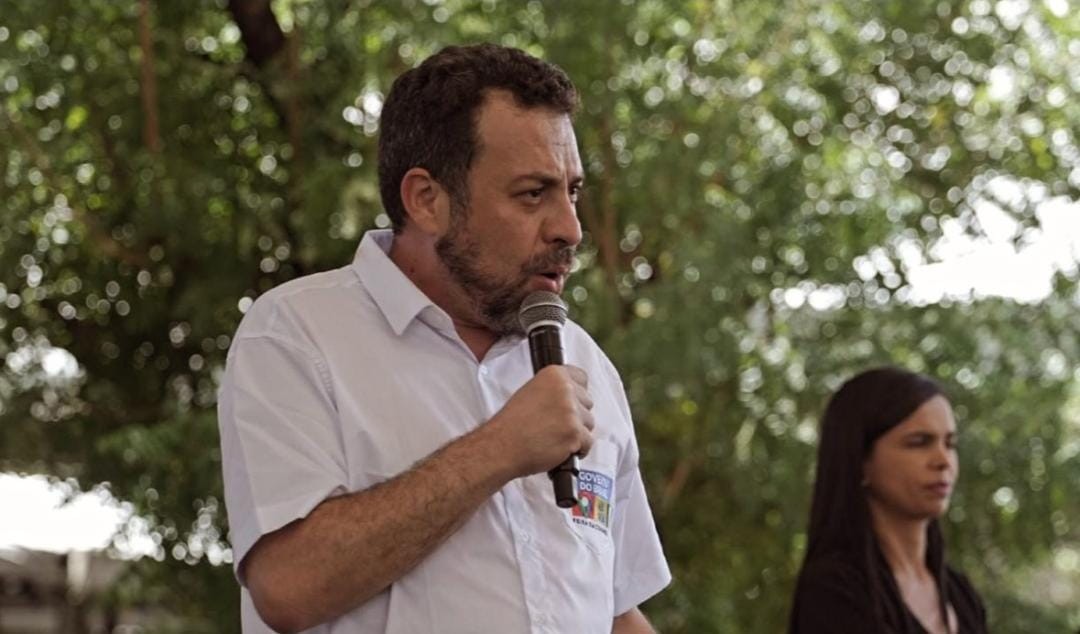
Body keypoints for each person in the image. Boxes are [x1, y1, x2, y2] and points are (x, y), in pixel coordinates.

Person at [217, 43, 670, 633]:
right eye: (533, 193)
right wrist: (500, 448)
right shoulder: (297, 334)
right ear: (427, 201)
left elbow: (611, 609)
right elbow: (288, 586)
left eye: (573, 192)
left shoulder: (585, 361)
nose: (570, 228)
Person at [788, 367, 988, 633]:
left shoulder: (960, 595)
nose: (943, 461)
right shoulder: (834, 592)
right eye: (919, 442)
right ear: (861, 461)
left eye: (950, 444)